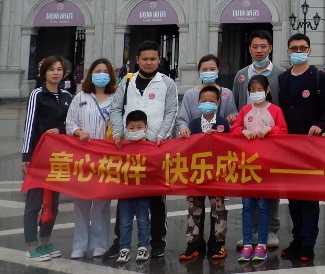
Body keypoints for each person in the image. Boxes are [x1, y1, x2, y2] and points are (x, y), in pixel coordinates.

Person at [107, 40, 178, 259]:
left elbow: (171, 111)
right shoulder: (127, 83)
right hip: (130, 147)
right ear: (137, 60)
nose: (149, 63)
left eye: (153, 59)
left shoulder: (167, 83)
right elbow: (116, 108)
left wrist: (161, 136)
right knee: (125, 196)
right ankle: (121, 241)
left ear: (159, 60)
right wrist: (118, 132)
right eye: (144, 59)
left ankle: (157, 241)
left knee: (157, 197)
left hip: (155, 147)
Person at [278, 33, 325, 265]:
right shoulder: (283, 79)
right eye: (294, 48)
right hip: (288, 147)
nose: (298, 51)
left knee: (309, 196)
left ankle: (308, 243)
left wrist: (320, 125)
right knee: (293, 196)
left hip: (311, 146)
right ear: (288, 51)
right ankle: (297, 238)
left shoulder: (319, 78)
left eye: (302, 47)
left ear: (310, 51)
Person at [231, 30, 285, 251]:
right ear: (250, 48)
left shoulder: (281, 73)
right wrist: (243, 131)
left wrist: (270, 131)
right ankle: (250, 231)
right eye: (255, 46)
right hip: (247, 145)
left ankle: (270, 229)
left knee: (270, 190)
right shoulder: (241, 76)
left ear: (270, 48)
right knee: (249, 189)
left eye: (263, 46)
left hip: (271, 144)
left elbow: (281, 108)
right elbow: (237, 106)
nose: (259, 50)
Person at [22, 55, 72, 261]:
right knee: (34, 202)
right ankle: (31, 245)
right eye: (51, 69)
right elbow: (30, 124)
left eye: (59, 69)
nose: (55, 73)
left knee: (53, 202)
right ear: (44, 73)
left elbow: (69, 125)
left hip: (58, 157)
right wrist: (26, 155)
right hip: (38, 155)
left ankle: (45, 241)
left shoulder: (68, 96)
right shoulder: (37, 95)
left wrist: (59, 130)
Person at [65, 58, 116, 260]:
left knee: (102, 204)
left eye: (105, 71)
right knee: (81, 202)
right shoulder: (80, 97)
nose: (101, 74)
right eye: (97, 70)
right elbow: (69, 123)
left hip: (106, 158)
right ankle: (79, 244)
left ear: (110, 75)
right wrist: (79, 132)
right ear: (91, 74)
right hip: (83, 157)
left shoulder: (116, 98)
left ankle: (100, 244)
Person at [179, 85, 231, 262]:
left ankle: (218, 243)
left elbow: (231, 146)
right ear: (198, 102)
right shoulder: (193, 124)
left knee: (219, 209)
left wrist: (218, 137)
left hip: (218, 174)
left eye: (211, 101)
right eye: (203, 101)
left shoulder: (223, 123)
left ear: (218, 102)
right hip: (197, 174)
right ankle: (194, 243)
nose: (207, 104)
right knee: (194, 208)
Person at [116, 111, 154, 264]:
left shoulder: (151, 146)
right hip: (125, 191)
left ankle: (143, 247)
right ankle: (124, 249)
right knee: (124, 222)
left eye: (139, 127)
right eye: (131, 128)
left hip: (143, 192)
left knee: (143, 220)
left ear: (146, 127)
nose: (135, 131)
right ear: (126, 128)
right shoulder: (120, 147)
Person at [175, 54, 237, 135]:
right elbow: (182, 119)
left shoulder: (227, 94)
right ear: (199, 71)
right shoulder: (190, 94)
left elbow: (234, 116)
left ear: (218, 69)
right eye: (204, 69)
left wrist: (232, 117)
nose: (208, 72)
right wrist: (184, 128)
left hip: (219, 140)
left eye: (212, 69)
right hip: (195, 139)